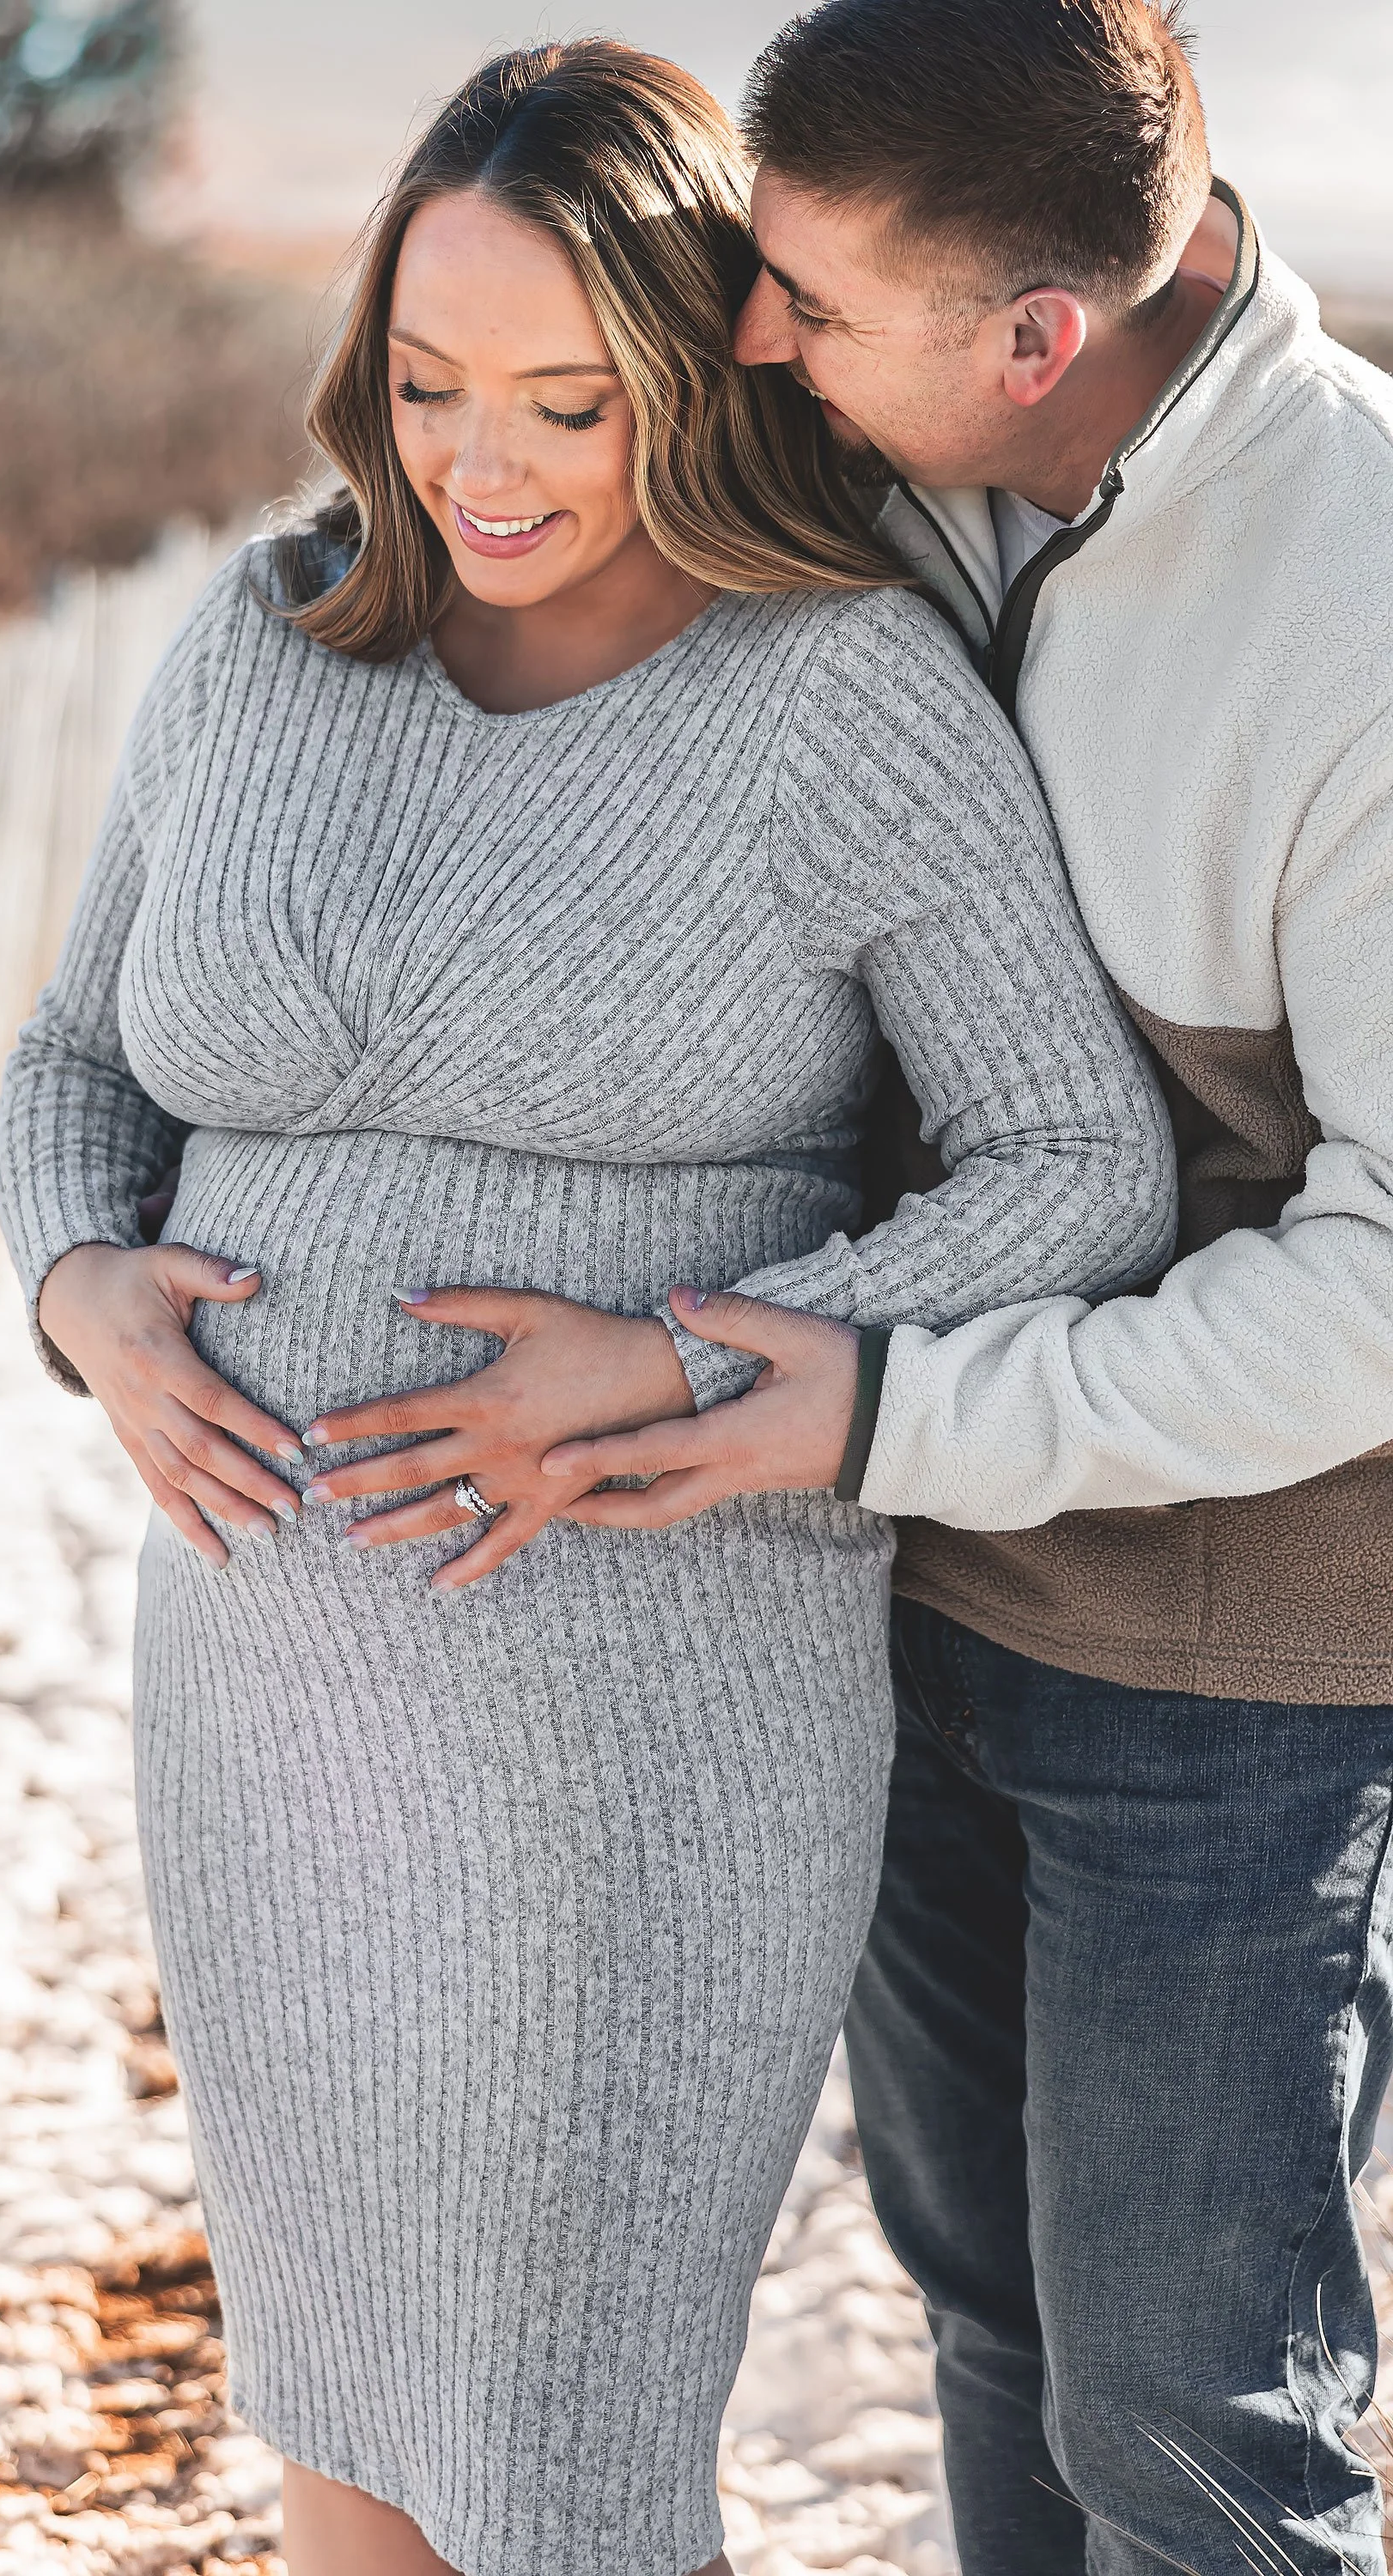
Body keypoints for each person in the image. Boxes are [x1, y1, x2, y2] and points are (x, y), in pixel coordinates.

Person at [0, 39, 1173, 2576]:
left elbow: (1074, 1168)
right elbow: (75, 1056)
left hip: (644, 1706)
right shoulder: (273, 626)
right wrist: (82, 1291)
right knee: (342, 2428)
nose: (480, 462)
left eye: (564, 396)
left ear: (698, 367)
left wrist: (686, 1355)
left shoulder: (839, 693)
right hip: (264, 1694)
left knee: (561, 2467)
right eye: (427, 385)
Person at [536, 3, 1393, 2570]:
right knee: (990, 2310)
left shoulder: (1356, 621)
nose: (757, 344)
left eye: (810, 298)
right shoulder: (895, 450)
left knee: (1193, 2418)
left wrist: (886, 1405)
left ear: (1040, 336)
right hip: (892, 1596)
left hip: (1239, 1671)